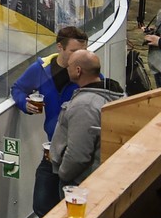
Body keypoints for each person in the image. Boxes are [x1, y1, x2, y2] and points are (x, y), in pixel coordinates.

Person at [11, 26, 89, 217]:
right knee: (42, 205)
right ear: (59, 48)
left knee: (71, 209)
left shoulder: (86, 72)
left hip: (78, 152)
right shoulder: (41, 69)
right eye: (74, 51)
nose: (79, 56)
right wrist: (25, 104)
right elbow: (18, 88)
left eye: (83, 51)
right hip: (53, 150)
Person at [50, 50, 123, 188]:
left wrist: (63, 175)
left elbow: (78, 154)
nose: (66, 68)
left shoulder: (85, 105)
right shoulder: (114, 94)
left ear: (78, 71)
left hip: (78, 183)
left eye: (69, 65)